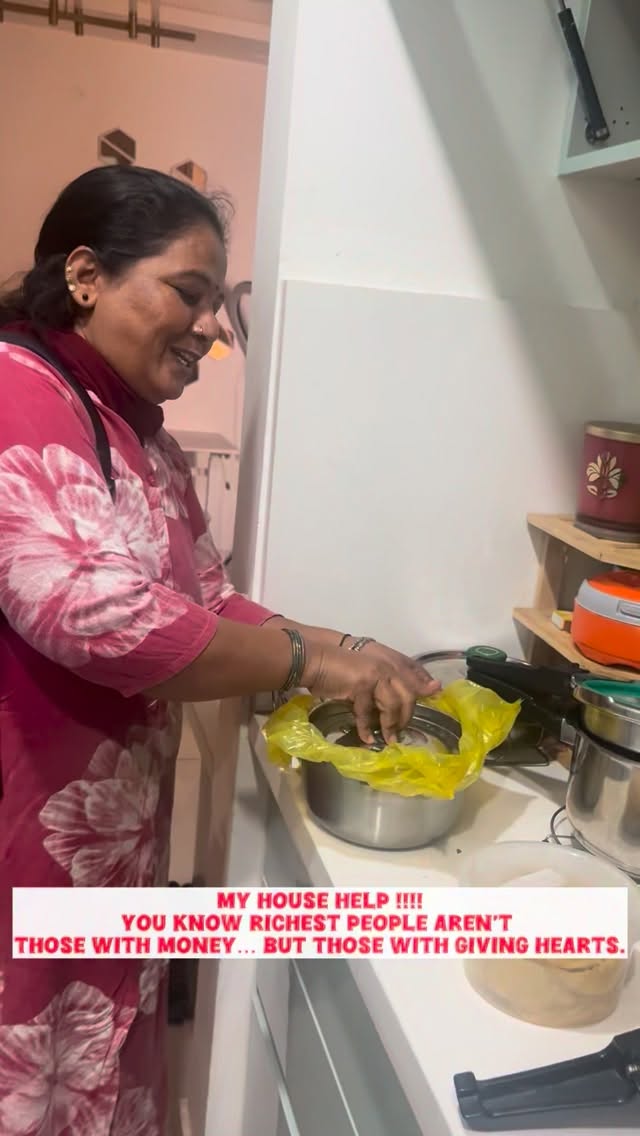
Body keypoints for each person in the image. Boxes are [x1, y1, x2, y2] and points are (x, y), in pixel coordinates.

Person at [0, 165, 438, 1135]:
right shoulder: (15, 385)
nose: (210, 329)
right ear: (85, 276)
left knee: (97, 1080)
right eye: (187, 294)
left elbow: (208, 596)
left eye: (217, 305)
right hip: (21, 849)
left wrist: (351, 646)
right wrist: (309, 665)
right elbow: (91, 613)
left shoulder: (143, 439)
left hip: (103, 855)